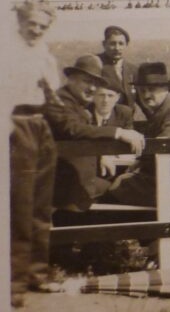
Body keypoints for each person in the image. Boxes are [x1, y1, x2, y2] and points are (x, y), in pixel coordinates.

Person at [44, 55, 146, 211]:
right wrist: (118, 132)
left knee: (125, 194)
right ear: (71, 79)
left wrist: (101, 154)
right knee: (130, 199)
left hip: (81, 184)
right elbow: (73, 129)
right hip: (64, 190)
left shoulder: (76, 104)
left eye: (95, 84)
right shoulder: (59, 101)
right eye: (86, 81)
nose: (92, 88)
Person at [10, 0, 61, 305]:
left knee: (41, 204)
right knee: (21, 205)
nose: (37, 30)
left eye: (43, 26)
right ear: (20, 22)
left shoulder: (44, 54)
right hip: (16, 124)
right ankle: (14, 283)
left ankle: (36, 274)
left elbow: (53, 94)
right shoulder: (8, 53)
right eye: (32, 24)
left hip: (41, 124)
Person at [108, 62, 170, 211]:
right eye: (142, 91)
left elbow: (162, 148)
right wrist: (138, 164)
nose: (146, 95)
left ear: (165, 88)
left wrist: (137, 168)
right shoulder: (164, 109)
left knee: (112, 189)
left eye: (151, 90)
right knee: (116, 184)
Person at [97, 25, 138, 113]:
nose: (117, 48)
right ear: (104, 44)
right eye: (112, 43)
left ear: (126, 45)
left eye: (121, 44)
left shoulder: (133, 70)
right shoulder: (96, 64)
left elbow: (141, 99)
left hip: (127, 119)